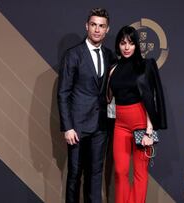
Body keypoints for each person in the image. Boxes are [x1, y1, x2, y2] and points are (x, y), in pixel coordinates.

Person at [57, 8, 115, 203]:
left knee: (96, 174)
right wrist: (68, 127)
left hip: (101, 127)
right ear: (86, 26)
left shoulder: (110, 56)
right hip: (78, 127)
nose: (97, 30)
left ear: (107, 29)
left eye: (101, 26)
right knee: (75, 174)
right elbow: (63, 92)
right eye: (93, 25)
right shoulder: (73, 55)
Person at [107, 25, 167, 203]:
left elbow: (152, 98)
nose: (126, 47)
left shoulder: (147, 65)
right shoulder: (113, 68)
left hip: (141, 123)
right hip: (120, 125)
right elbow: (109, 98)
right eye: (123, 43)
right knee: (120, 172)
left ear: (137, 46)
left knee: (140, 173)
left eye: (131, 43)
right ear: (118, 45)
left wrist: (150, 131)